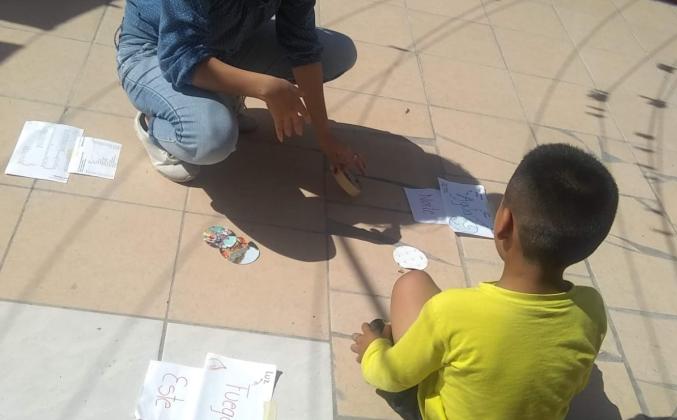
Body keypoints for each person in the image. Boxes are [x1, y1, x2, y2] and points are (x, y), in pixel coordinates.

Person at [350, 144, 619, 420]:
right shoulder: (592, 310)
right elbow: (577, 384)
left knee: (411, 283)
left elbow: (390, 376)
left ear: (504, 222)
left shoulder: (452, 311)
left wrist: (373, 349)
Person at [116, 0, 365, 182]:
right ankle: (153, 127)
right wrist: (264, 88)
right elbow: (179, 57)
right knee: (213, 139)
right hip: (154, 49)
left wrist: (325, 136)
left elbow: (302, 45)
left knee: (338, 52)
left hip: (226, 42)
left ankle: (224, 94)